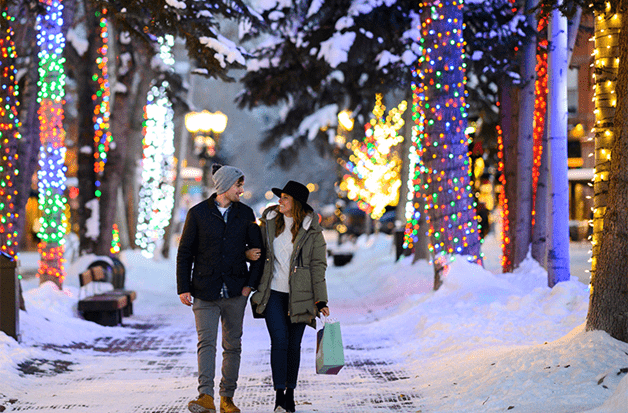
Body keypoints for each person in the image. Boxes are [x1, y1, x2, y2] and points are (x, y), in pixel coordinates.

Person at [177, 164, 263, 413]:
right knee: (206, 343)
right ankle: (205, 396)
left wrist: (249, 286)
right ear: (225, 185)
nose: (241, 190)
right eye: (238, 185)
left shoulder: (245, 214)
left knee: (232, 346)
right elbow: (185, 253)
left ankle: (227, 398)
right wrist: (183, 287)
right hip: (205, 291)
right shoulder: (198, 213)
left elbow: (258, 252)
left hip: (236, 291)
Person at [249, 181, 330, 413]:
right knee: (279, 341)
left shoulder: (312, 231)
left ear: (296, 203)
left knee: (294, 345)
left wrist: (321, 300)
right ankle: (279, 396)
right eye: (280, 197)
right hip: (272, 293)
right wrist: (248, 254)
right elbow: (256, 249)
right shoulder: (269, 223)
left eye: (285, 197)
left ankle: (291, 394)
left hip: (301, 296)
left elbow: (318, 266)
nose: (280, 201)